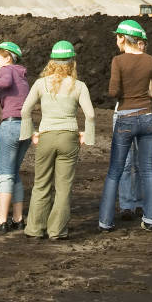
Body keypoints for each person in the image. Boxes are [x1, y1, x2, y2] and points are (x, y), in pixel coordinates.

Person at [20, 40, 94, 241]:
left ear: (52, 60)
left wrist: (31, 133)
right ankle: (57, 231)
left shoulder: (40, 83)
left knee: (41, 184)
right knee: (63, 187)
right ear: (72, 62)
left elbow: (25, 110)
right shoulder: (79, 85)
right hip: (69, 138)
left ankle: (35, 228)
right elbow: (90, 115)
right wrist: (87, 136)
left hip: (45, 136)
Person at [98, 19, 152, 232]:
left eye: (117, 37)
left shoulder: (118, 61)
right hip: (147, 116)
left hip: (125, 116)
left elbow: (113, 92)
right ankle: (151, 218)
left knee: (115, 171)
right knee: (147, 169)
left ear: (123, 38)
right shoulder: (151, 60)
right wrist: (144, 94)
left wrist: (128, 93)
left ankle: (106, 221)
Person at [0, 40, 31, 231]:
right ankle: (18, 218)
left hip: (10, 125)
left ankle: (2, 221)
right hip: (25, 127)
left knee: (5, 174)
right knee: (15, 173)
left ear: (8, 58)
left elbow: (4, 82)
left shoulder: (7, 70)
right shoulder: (23, 76)